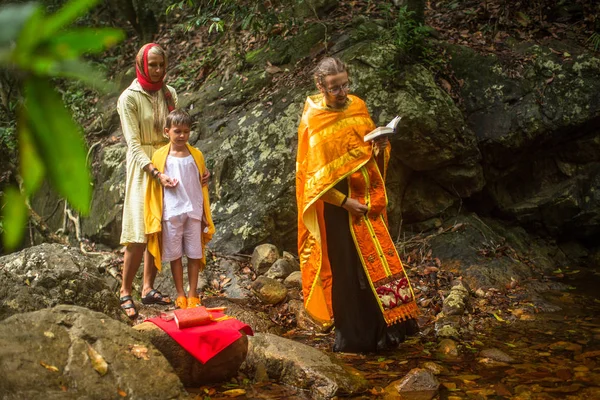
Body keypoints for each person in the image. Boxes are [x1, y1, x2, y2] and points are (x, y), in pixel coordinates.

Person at [296, 57, 419, 353]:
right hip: (338, 207)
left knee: (377, 265)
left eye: (345, 85)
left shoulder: (357, 105)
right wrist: (344, 202)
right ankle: (353, 338)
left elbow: (368, 157)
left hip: (366, 200)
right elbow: (311, 181)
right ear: (320, 86)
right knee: (347, 270)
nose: (342, 92)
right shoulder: (313, 119)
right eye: (335, 88)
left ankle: (389, 330)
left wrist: (379, 148)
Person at [117, 43, 208, 318]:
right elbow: (132, 144)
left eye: (161, 65)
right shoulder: (128, 98)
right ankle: (124, 291)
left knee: (159, 225)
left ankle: (147, 288)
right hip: (144, 164)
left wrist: (196, 166)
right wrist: (154, 171)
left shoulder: (169, 94)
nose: (157, 70)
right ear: (142, 65)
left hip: (168, 160)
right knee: (138, 229)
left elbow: (176, 134)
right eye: (152, 65)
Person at [145, 109, 215, 309]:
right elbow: (153, 185)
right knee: (175, 255)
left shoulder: (196, 155)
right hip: (171, 212)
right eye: (177, 131)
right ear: (167, 131)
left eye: (186, 131)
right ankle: (180, 294)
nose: (182, 135)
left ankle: (193, 293)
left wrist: (203, 213)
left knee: (194, 253)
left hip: (193, 210)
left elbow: (202, 180)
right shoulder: (160, 156)